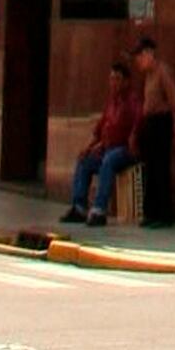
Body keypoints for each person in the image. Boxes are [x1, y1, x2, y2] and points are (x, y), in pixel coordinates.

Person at [60, 61, 141, 226]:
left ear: (126, 81)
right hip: (107, 149)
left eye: (118, 79)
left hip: (125, 150)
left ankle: (99, 209)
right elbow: (99, 130)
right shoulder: (111, 103)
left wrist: (133, 139)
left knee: (109, 160)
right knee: (85, 161)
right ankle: (79, 206)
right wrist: (89, 148)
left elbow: (138, 126)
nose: (114, 83)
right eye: (111, 79)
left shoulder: (133, 102)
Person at [132, 36, 175, 228]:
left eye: (140, 56)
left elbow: (174, 100)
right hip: (150, 123)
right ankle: (151, 212)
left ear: (149, 54)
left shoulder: (163, 72)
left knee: (161, 168)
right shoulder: (148, 76)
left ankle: (164, 214)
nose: (138, 61)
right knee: (150, 169)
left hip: (162, 122)